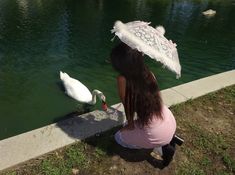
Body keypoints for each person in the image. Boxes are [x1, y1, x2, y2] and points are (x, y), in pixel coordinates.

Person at [110, 42, 178, 166]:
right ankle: (164, 141)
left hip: (157, 132)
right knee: (140, 127)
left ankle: (159, 146)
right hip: (169, 119)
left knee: (118, 137)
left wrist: (129, 126)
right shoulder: (149, 73)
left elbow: (128, 106)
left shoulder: (122, 79)